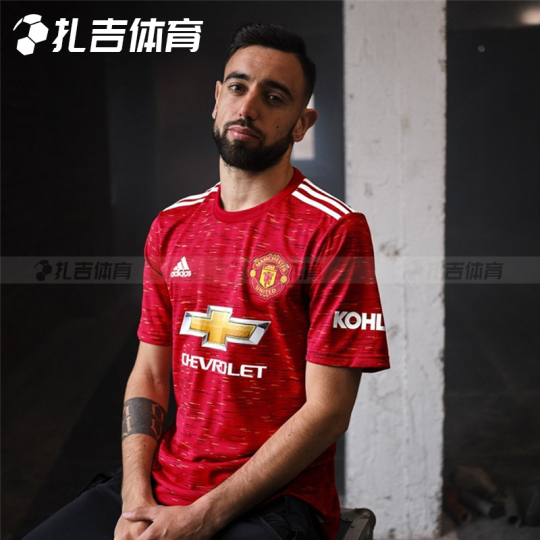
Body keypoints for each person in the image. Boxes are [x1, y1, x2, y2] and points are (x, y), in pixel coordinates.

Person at [24, 22, 390, 540]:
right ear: (217, 100)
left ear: (301, 123)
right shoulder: (171, 226)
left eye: (274, 96)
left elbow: (328, 410)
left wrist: (203, 517)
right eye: (238, 87)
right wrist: (135, 498)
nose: (249, 107)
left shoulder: (334, 231)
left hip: (275, 501)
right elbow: (149, 375)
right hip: (164, 481)